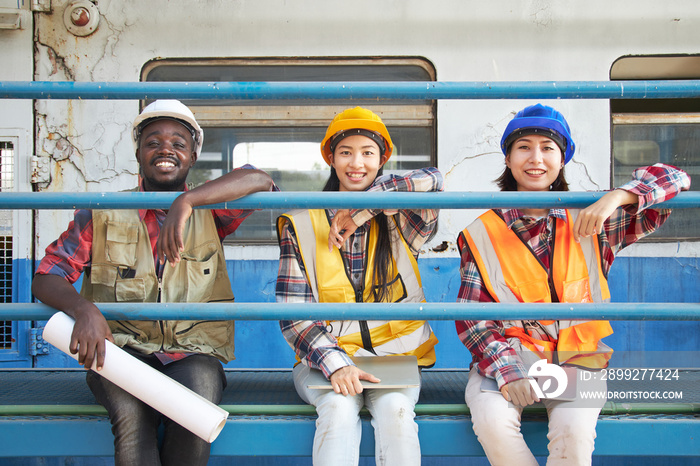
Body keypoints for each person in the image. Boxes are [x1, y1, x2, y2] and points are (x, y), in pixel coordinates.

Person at [32, 99, 275, 466]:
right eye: (153, 142)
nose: (166, 150)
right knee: (132, 419)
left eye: (179, 143)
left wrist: (187, 201)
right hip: (120, 349)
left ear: (193, 156)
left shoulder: (212, 211)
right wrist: (83, 309)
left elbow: (260, 179)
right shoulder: (101, 213)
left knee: (195, 413)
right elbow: (47, 276)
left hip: (193, 350)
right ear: (139, 153)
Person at [456, 103, 690, 466]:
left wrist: (617, 196)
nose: (536, 158)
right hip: (511, 356)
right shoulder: (480, 232)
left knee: (575, 437)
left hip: (578, 360)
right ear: (508, 158)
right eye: (524, 147)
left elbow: (676, 178)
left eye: (548, 148)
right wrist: (508, 371)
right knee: (492, 422)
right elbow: (474, 318)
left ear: (562, 159)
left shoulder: (594, 220)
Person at [276, 107, 443, 466]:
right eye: (346, 152)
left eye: (368, 153)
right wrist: (337, 364)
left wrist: (362, 208)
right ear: (331, 159)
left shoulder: (403, 219)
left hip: (395, 359)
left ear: (382, 159)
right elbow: (293, 315)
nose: (357, 163)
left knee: (397, 415)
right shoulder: (300, 224)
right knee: (336, 410)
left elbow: (434, 179)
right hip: (323, 361)